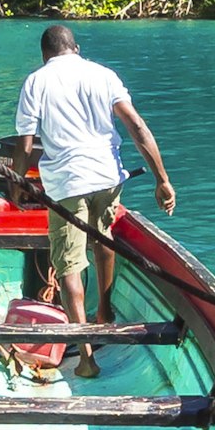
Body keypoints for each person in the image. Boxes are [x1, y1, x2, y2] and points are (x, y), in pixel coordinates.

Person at [14, 25, 176, 329]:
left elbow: (24, 144)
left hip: (66, 184)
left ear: (45, 55)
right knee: (103, 238)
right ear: (76, 49)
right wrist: (162, 179)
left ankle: (85, 355)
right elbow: (137, 126)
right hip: (107, 176)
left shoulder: (36, 81)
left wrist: (17, 182)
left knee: (69, 264)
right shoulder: (104, 75)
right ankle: (104, 313)